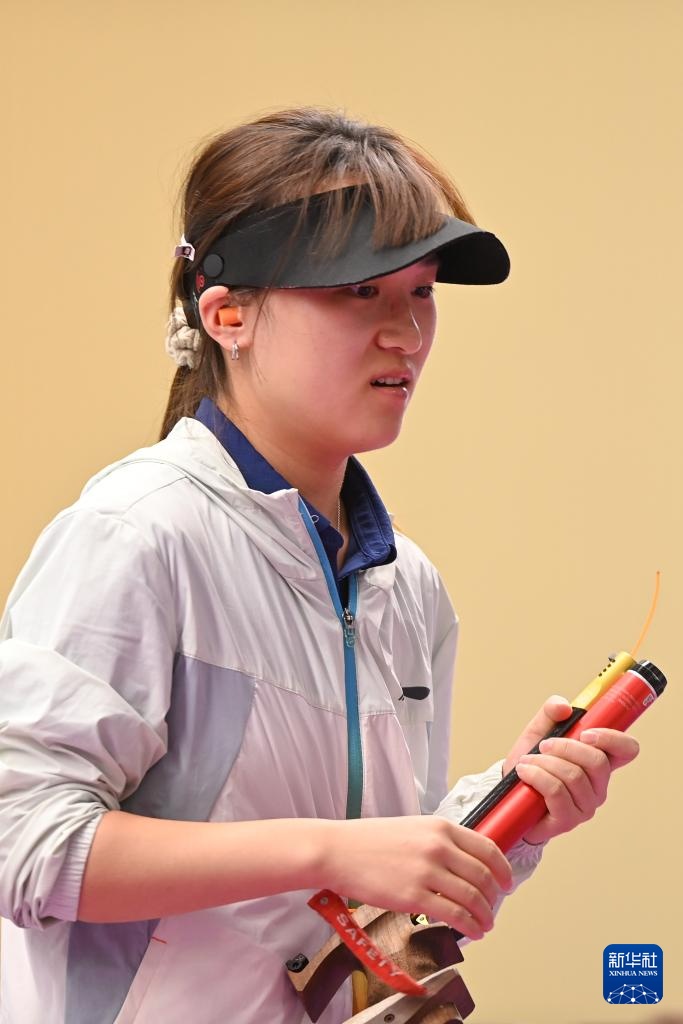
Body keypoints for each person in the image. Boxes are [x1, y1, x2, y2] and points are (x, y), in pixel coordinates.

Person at [0, 108, 638, 1024]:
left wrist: (509, 809)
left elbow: (363, 907)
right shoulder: (136, 534)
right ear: (226, 315)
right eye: (360, 291)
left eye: (421, 292)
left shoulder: (405, 583)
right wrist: (329, 850)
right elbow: (22, 845)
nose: (406, 333)